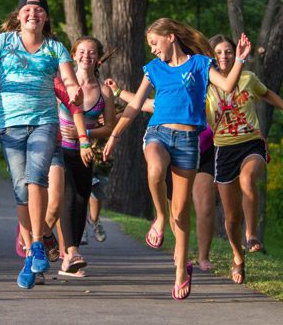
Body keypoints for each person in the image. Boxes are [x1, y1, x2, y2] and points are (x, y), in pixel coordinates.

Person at [103, 18, 251, 300]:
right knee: (156, 171)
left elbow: (229, 86)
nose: (153, 49)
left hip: (188, 142)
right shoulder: (154, 69)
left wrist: (241, 59)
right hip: (158, 133)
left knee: (181, 213)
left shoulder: (199, 64)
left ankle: (182, 270)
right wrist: (115, 135)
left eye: (154, 43)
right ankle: (158, 217)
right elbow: (135, 106)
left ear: (170, 37)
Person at [0, 0, 82, 290]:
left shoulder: (55, 48)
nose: (33, 14)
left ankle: (35, 246)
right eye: (28, 9)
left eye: (39, 10)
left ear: (45, 17)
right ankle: (34, 253)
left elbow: (69, 81)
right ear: (18, 15)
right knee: (21, 189)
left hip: (44, 122)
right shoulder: (3, 42)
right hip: (11, 126)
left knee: (35, 177)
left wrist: (75, 91)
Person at [107, 81, 217, 272]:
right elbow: (144, 103)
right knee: (176, 206)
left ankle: (201, 256)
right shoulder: (174, 98)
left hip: (204, 153)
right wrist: (118, 91)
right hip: (173, 153)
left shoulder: (212, 100)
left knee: (198, 204)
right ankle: (178, 245)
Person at [206, 34, 283, 283]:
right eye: (218, 52)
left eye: (228, 51)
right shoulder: (206, 86)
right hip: (224, 150)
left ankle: (251, 235)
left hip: (251, 143)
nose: (224, 56)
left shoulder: (248, 78)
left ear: (236, 53)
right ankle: (238, 257)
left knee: (248, 179)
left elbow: (268, 94)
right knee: (230, 218)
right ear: (211, 57)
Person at [55, 37, 115, 276]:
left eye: (91, 53)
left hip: (85, 153)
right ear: (73, 55)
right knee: (67, 198)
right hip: (60, 149)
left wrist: (86, 133)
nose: (86, 56)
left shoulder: (104, 91)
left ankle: (71, 256)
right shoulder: (59, 82)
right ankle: (70, 252)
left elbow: (109, 126)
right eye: (81, 52)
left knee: (81, 201)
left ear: (97, 58)